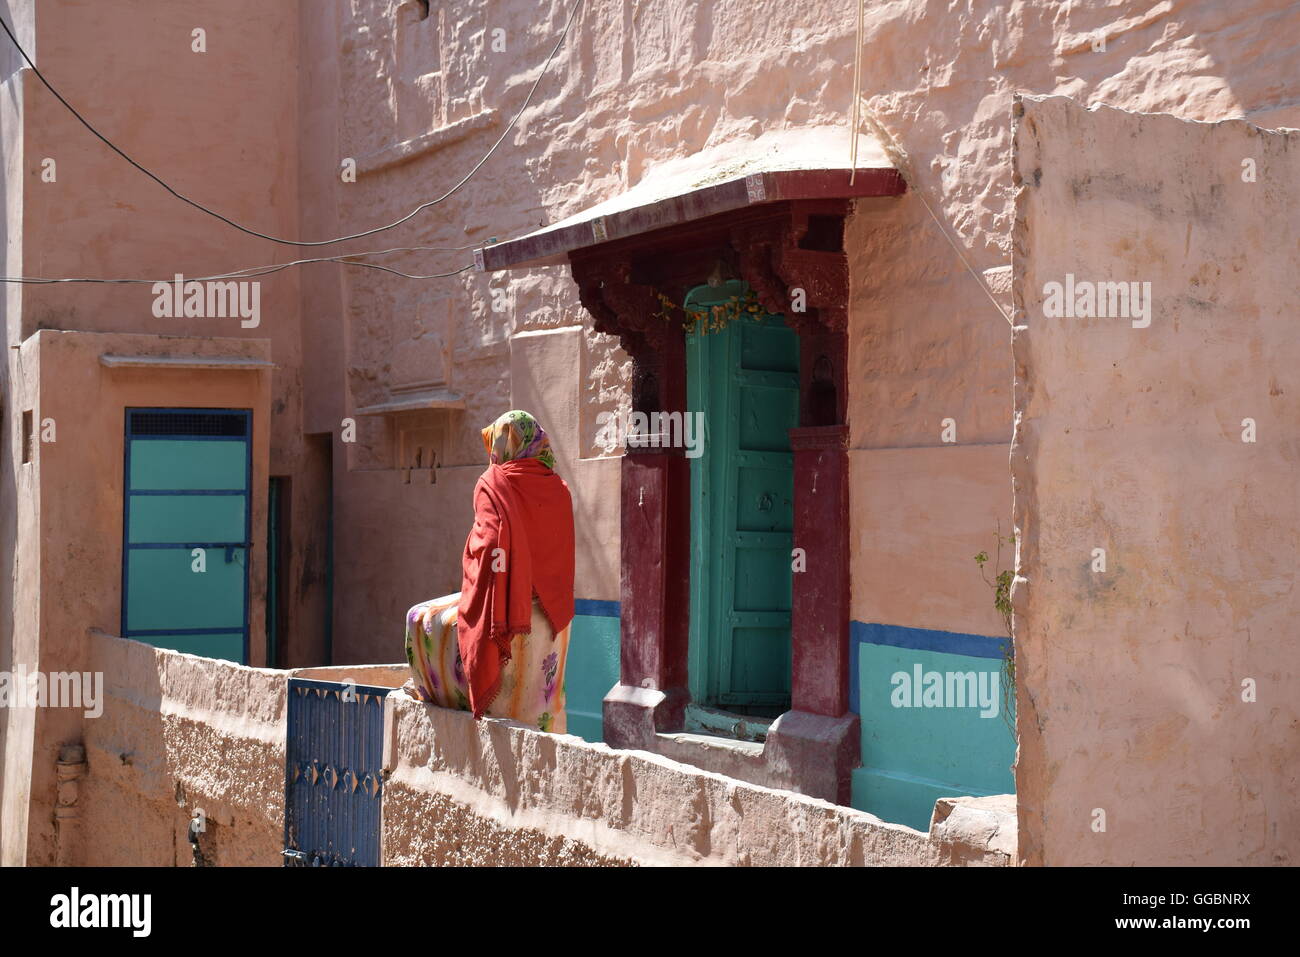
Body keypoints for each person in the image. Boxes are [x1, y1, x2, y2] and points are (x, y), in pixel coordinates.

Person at [404, 410, 575, 732]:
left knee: (418, 617)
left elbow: (489, 543)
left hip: (506, 600)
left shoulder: (494, 482)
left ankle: (441, 700)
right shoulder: (559, 488)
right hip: (554, 608)